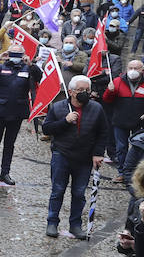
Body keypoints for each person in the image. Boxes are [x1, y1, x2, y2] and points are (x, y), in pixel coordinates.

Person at [40, 76, 108, 239]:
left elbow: (103, 132)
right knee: (57, 190)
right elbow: (47, 129)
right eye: (80, 90)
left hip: (84, 158)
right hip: (61, 154)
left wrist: (98, 153)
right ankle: (52, 222)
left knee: (79, 193)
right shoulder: (57, 107)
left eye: (87, 90)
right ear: (70, 92)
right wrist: (65, 121)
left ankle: (75, 225)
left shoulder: (97, 109)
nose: (84, 93)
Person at [0, 42, 41, 186]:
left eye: (18, 55)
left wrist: (30, 64)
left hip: (17, 112)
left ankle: (5, 172)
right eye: (12, 54)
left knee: (9, 144)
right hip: (0, 111)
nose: (15, 57)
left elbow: (39, 77)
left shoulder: (27, 69)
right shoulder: (1, 67)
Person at [102, 59, 144, 178]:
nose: (133, 71)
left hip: (140, 121)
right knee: (121, 148)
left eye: (136, 68)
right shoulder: (118, 81)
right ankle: (122, 173)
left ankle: (137, 173)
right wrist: (110, 91)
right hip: (120, 120)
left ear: (142, 70)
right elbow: (107, 100)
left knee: (140, 147)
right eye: (130, 68)